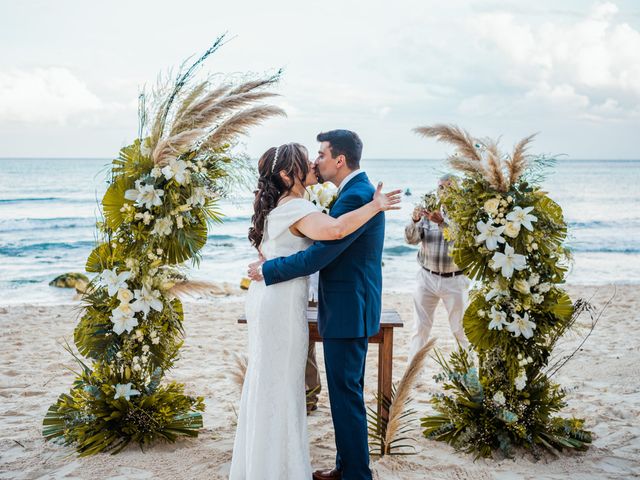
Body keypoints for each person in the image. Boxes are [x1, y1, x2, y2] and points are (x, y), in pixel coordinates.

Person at [230, 139, 400, 480]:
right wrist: (376, 206)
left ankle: (278, 465)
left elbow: (321, 245)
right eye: (306, 160)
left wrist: (269, 268)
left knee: (280, 382)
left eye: (317, 156)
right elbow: (334, 231)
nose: (312, 164)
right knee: (282, 382)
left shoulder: (288, 204)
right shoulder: (297, 207)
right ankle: (285, 468)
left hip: (284, 299)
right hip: (281, 302)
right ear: (285, 174)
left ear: (339, 159)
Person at [405, 174, 469, 361]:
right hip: (427, 278)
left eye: (449, 187)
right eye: (441, 187)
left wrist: (441, 222)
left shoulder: (464, 214)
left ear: (457, 190)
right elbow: (411, 240)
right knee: (420, 328)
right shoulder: (428, 211)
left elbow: (462, 242)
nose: (443, 191)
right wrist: (415, 221)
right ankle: (412, 374)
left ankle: (470, 376)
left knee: (460, 329)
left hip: (455, 280)